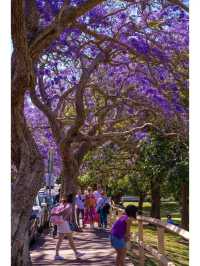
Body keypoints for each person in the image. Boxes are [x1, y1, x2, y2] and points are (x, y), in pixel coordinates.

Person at [52, 194, 84, 260]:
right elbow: (63, 212)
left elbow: (62, 212)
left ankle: (57, 254)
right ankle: (76, 253)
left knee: (61, 239)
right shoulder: (69, 205)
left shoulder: (63, 203)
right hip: (64, 222)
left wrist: (56, 214)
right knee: (70, 239)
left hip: (61, 222)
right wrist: (56, 214)